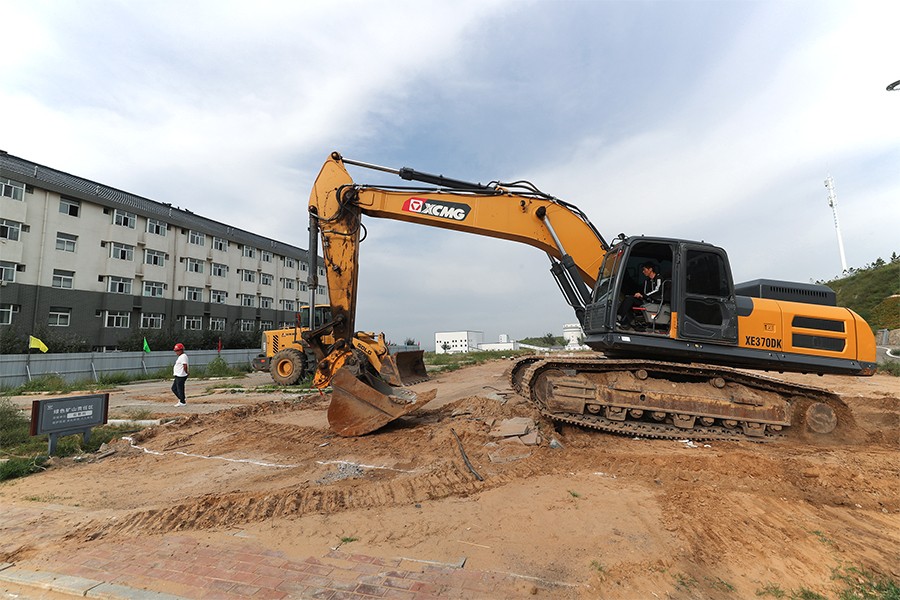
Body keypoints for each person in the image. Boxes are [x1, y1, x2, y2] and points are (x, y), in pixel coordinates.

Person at [617, 262, 664, 329]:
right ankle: (623, 319)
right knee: (628, 299)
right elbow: (643, 291)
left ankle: (620, 317)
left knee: (630, 299)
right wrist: (639, 295)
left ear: (650, 269)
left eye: (644, 269)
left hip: (654, 301)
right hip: (646, 300)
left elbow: (657, 290)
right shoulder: (647, 281)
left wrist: (643, 296)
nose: (643, 272)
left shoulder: (658, 278)